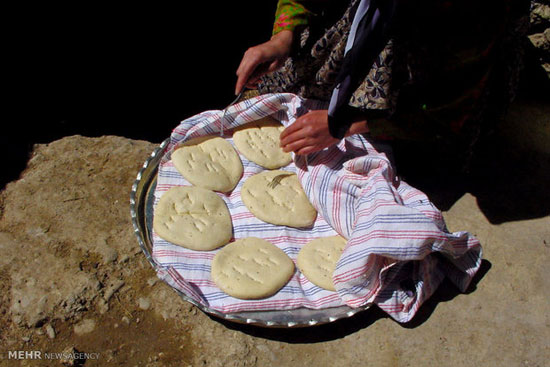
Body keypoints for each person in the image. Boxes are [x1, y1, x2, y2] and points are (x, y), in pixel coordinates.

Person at [235, 0, 530, 170]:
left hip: (442, 74)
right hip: (383, 16)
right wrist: (282, 37)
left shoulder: (473, 16)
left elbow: (449, 104)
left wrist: (346, 125)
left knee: (404, 163)